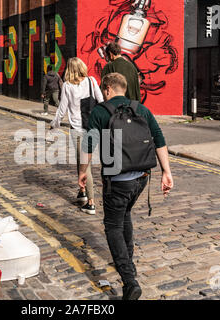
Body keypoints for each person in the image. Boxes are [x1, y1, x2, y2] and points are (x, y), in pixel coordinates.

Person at [79, 72, 173, 300]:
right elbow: (159, 139)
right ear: (125, 88)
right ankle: (128, 262)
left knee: (112, 226)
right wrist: (167, 172)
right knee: (125, 214)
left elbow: (88, 144)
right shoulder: (141, 109)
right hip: (141, 178)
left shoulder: (101, 111)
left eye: (104, 90)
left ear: (108, 89)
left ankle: (129, 281)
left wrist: (82, 172)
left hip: (117, 180)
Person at [50, 57, 103, 215]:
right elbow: (101, 101)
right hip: (93, 127)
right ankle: (82, 192)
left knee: (84, 166)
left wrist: (55, 124)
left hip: (78, 129)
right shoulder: (92, 81)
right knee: (82, 163)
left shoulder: (67, 86)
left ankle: (91, 203)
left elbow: (62, 108)